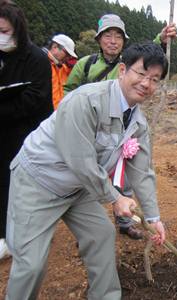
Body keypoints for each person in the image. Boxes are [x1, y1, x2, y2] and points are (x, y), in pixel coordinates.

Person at [5, 42, 168, 299]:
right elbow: (79, 159)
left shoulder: (137, 122)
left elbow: (142, 171)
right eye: (141, 74)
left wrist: (153, 217)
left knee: (101, 234)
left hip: (77, 187)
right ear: (123, 70)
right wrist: (115, 198)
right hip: (38, 181)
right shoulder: (86, 100)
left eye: (155, 79)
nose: (147, 84)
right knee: (31, 264)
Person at [64, 13, 177, 240]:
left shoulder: (132, 64)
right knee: (89, 177)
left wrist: (161, 39)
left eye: (118, 36)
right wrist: (67, 115)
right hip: (90, 130)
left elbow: (148, 59)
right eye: (108, 35)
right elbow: (69, 91)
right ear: (99, 39)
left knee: (125, 177)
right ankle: (87, 228)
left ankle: (124, 223)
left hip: (122, 128)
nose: (113, 40)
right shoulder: (87, 65)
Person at [0, 0, 53, 260]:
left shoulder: (36, 59)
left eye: (4, 31)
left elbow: (36, 99)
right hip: (3, 132)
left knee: (21, 184)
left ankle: (18, 235)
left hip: (27, 133)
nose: (1, 37)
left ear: (18, 29)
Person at [42, 33, 77, 109]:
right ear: (54, 47)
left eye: (70, 55)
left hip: (58, 114)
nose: (68, 58)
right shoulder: (41, 63)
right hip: (44, 115)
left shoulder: (63, 67)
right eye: (66, 53)